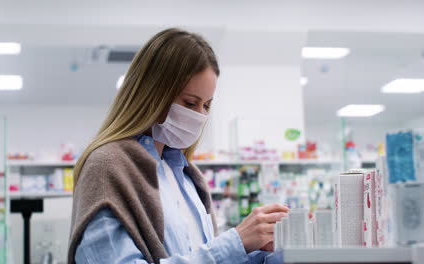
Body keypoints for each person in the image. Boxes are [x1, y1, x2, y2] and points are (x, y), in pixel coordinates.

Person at [67, 28, 289, 264]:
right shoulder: (107, 166)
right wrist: (235, 243)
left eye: (206, 105)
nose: (200, 116)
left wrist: (263, 253)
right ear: (153, 92)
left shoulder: (185, 175)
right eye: (190, 102)